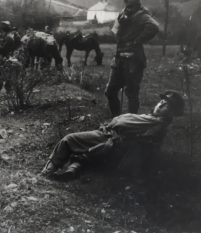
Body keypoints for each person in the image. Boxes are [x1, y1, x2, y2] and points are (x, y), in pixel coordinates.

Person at [41, 90, 184, 181]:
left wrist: (115, 128)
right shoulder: (153, 118)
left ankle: (48, 171)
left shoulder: (157, 123)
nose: (160, 104)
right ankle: (72, 170)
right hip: (110, 135)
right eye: (161, 101)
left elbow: (131, 132)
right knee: (84, 152)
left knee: (70, 139)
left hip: (113, 140)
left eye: (166, 105)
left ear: (172, 112)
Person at [105, 0, 160, 117]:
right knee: (110, 91)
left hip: (133, 60)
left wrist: (136, 40)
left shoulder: (142, 15)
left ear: (136, 3)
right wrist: (121, 30)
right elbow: (115, 31)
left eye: (131, 4)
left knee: (131, 93)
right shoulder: (122, 14)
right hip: (119, 58)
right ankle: (117, 120)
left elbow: (154, 26)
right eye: (126, 4)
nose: (128, 6)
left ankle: (130, 124)